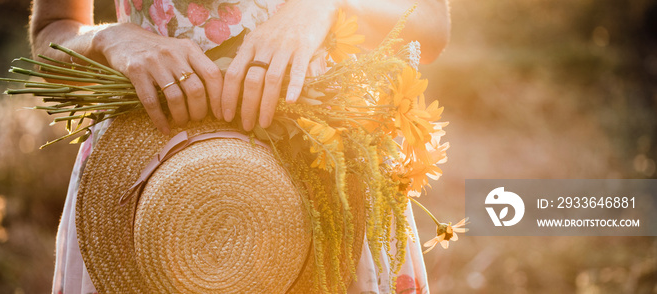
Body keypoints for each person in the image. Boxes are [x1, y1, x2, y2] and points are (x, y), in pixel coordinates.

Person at [29, 0, 450, 293]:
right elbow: (52, 33)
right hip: (144, 188)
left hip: (330, 170)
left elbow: (430, 23)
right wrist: (110, 39)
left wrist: (327, 4)